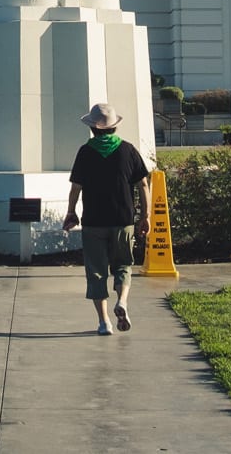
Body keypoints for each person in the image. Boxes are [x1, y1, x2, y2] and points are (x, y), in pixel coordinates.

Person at [62, 102, 150, 337]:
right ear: (114, 127)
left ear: (93, 128)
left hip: (93, 221)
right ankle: (122, 300)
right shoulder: (128, 150)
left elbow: (76, 188)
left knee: (96, 271)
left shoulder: (85, 152)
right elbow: (143, 184)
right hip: (123, 220)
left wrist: (71, 212)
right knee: (123, 265)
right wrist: (146, 216)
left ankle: (104, 323)